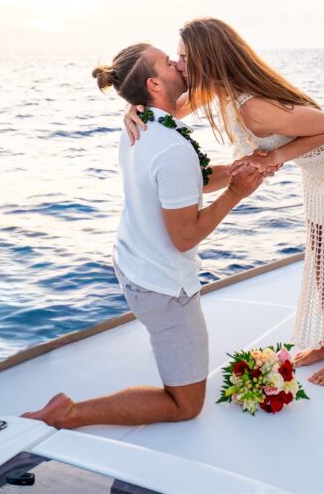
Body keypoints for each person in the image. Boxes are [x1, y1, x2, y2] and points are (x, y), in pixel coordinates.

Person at [124, 19, 324, 388]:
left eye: (183, 57)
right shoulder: (214, 89)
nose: (178, 65)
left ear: (207, 59)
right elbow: (166, 111)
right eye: (176, 58)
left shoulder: (253, 109)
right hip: (320, 164)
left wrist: (271, 159)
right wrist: (132, 110)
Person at [23, 43, 263, 429]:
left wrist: (235, 171)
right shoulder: (169, 146)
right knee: (185, 404)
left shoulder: (144, 125)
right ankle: (70, 413)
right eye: (169, 62)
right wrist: (236, 194)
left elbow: (189, 182)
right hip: (164, 287)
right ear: (154, 83)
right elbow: (185, 237)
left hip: (134, 264)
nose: (178, 63)